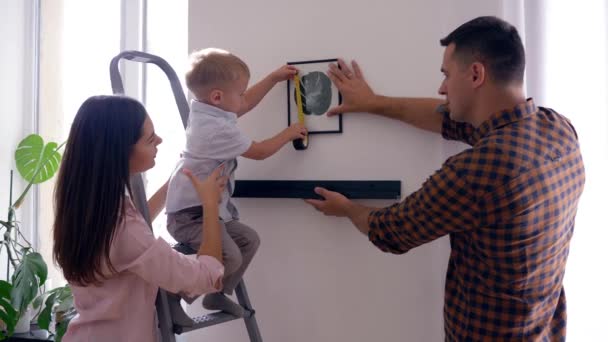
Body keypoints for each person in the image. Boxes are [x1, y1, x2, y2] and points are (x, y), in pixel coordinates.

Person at [306, 16, 585, 341]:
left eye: (446, 75)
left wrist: (347, 209)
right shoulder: (558, 130)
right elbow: (448, 120)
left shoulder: (479, 170)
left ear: (476, 74)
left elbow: (391, 231)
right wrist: (373, 103)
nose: (441, 87)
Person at [53, 95, 227, 341]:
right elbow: (205, 277)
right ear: (121, 151)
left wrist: (173, 185)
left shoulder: (87, 208)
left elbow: (131, 231)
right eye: (149, 139)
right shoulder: (124, 228)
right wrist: (210, 204)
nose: (159, 140)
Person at [165, 48, 307, 316]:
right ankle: (175, 297)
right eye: (239, 92)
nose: (243, 97)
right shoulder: (216, 130)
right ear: (217, 96)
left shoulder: (208, 111)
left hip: (210, 213)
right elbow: (261, 151)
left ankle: (217, 294)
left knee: (249, 240)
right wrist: (289, 133)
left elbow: (243, 103)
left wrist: (273, 78)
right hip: (188, 216)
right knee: (231, 255)